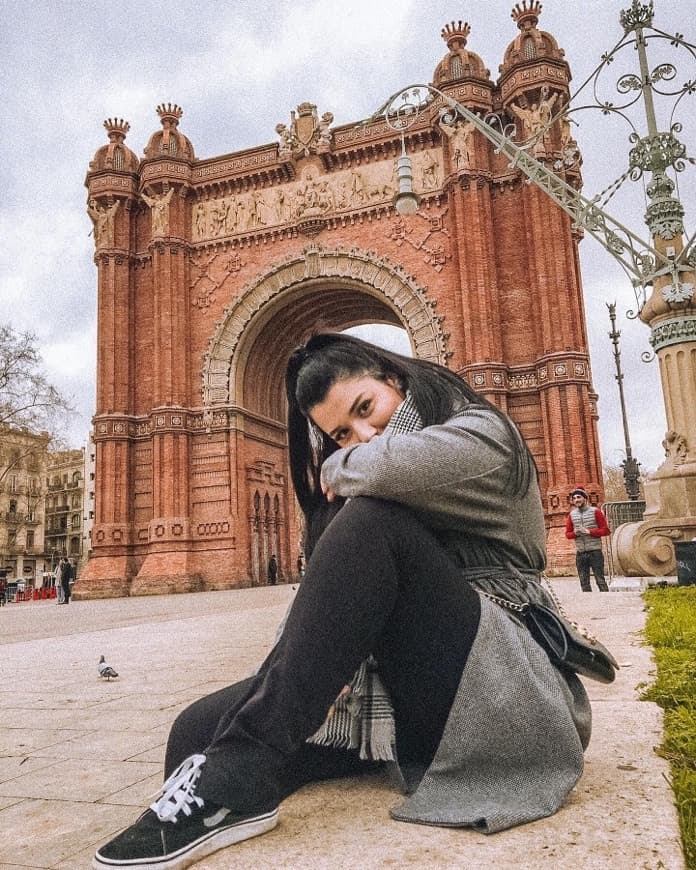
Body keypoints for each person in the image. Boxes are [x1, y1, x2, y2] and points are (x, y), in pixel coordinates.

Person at [93, 333, 591, 870]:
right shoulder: (366, 482)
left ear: (393, 378)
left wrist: (333, 464)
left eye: (365, 408)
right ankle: (230, 784)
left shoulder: (483, 432)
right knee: (195, 731)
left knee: (376, 521)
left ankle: (241, 774)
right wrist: (296, 680)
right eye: (340, 433)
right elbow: (325, 598)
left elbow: (391, 466)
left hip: (504, 684)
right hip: (405, 692)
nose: (362, 435)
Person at [565, 487, 610, 592]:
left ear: (585, 498)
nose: (576, 500)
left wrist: (590, 532)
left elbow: (606, 531)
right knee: (584, 582)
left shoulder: (596, 512)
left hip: (595, 551)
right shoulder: (572, 515)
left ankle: (607, 602)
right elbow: (568, 534)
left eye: (579, 497)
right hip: (581, 553)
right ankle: (590, 605)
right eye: (574, 498)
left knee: (600, 580)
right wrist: (575, 533)